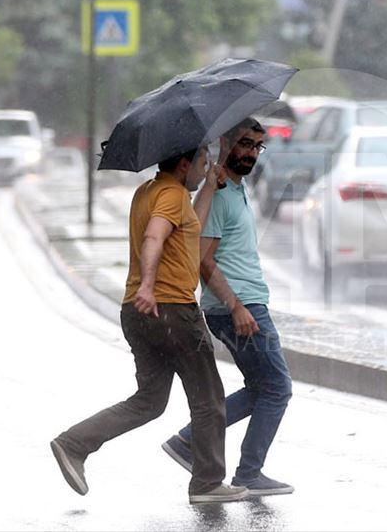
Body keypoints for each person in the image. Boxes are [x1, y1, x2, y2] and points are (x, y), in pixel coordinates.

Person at [49, 146, 250, 504]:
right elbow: (155, 236)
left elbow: (190, 230)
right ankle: (207, 482)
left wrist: (208, 187)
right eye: (201, 164)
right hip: (172, 310)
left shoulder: (149, 192)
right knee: (208, 399)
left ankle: (73, 443)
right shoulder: (171, 195)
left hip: (137, 313)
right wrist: (147, 285)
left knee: (149, 401)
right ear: (184, 164)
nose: (205, 168)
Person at [161, 118, 295, 497]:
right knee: (277, 387)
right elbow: (203, 259)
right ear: (225, 143)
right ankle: (248, 473)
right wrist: (236, 306)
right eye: (244, 143)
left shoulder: (236, 189)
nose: (251, 152)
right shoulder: (218, 195)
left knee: (262, 387)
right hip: (237, 305)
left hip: (243, 302)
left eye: (257, 146)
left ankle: (189, 441)